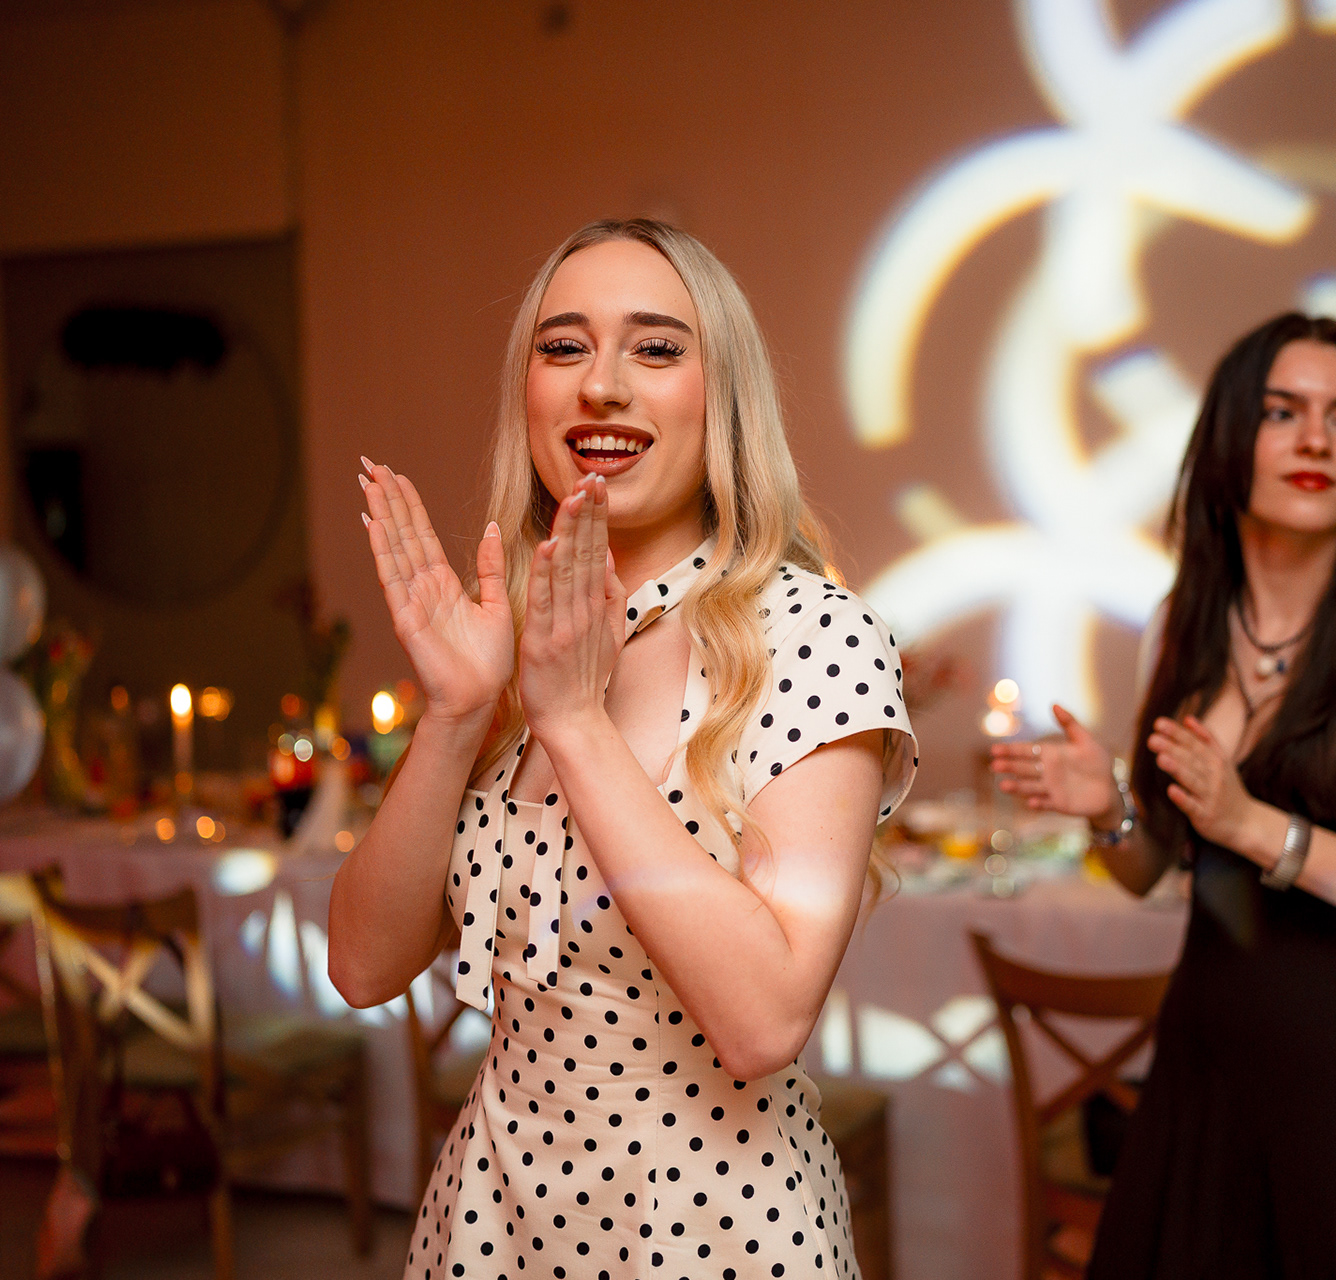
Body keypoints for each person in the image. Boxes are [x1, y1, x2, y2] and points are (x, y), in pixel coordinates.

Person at [326, 218, 916, 1280]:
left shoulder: (813, 635)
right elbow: (363, 967)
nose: (601, 385)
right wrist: (458, 712)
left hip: (712, 1234)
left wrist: (575, 722)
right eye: (563, 347)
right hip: (492, 1225)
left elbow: (764, 1019)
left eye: (655, 347)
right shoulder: (513, 636)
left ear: (720, 396)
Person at [992, 313, 1336, 1277]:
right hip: (1205, 1072)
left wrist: (1260, 827)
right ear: (1231, 435)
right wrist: (1108, 808)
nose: (1317, 441)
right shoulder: (1178, 625)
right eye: (1283, 413)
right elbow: (1152, 871)